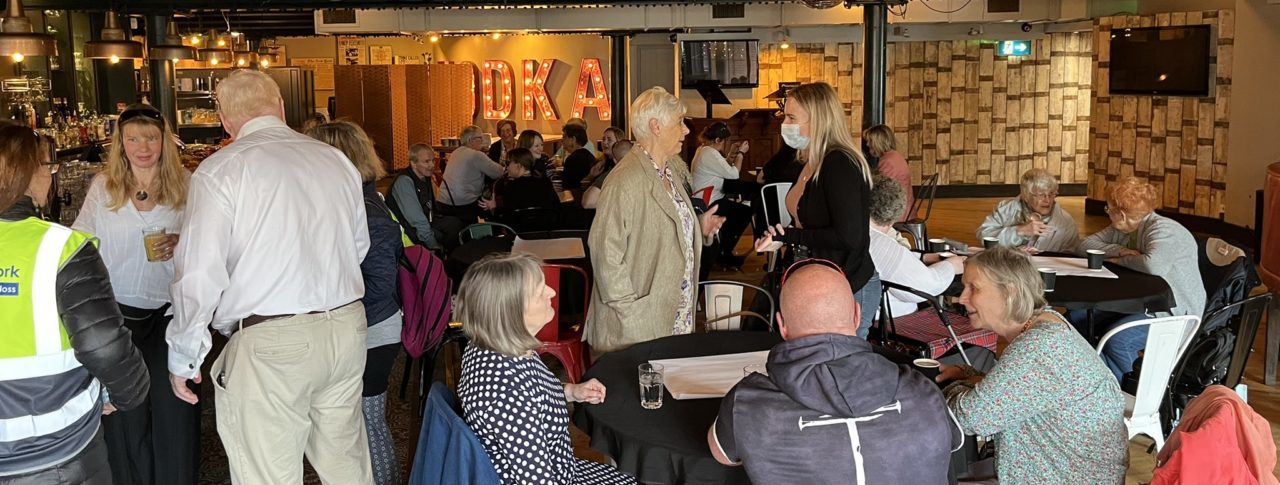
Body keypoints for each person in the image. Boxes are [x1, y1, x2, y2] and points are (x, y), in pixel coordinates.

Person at [166, 70, 374, 484]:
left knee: (269, 474)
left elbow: (200, 275)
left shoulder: (221, 170)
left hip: (272, 343)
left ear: (225, 120)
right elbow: (358, 247)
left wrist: (185, 354)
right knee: (346, 465)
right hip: (345, 328)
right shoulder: (334, 159)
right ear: (280, 107)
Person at [708, 262, 956, 484]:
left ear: (782, 326)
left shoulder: (748, 402)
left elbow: (723, 455)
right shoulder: (924, 391)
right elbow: (955, 442)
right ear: (857, 316)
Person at [0, 123, 149, 484]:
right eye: (49, 168)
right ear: (29, 174)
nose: (50, 178)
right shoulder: (62, 248)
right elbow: (103, 345)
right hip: (55, 451)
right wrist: (128, 393)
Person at [71, 104, 198, 485]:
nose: (143, 147)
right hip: (118, 316)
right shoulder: (104, 187)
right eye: (133, 139)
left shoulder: (187, 184)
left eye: (151, 138)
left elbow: (210, 242)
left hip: (168, 314)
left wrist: (183, 240)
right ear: (120, 144)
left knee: (174, 411)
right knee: (126, 412)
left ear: (164, 141)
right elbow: (80, 241)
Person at [939, 246, 1128, 483]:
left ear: (1009, 292)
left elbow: (969, 419)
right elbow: (1022, 395)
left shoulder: (1039, 347)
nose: (962, 298)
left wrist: (951, 387)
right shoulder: (1047, 322)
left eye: (973, 288)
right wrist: (969, 376)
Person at [455, 253, 636, 485]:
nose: (551, 292)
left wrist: (571, 391)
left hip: (564, 469)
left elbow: (533, 392)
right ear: (511, 311)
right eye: (540, 291)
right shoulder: (504, 393)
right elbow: (537, 481)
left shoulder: (498, 346)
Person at [587, 86, 725, 353]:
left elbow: (662, 225)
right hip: (639, 321)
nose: (686, 130)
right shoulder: (625, 179)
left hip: (672, 310)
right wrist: (629, 311)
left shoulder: (671, 169)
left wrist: (698, 226)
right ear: (656, 126)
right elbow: (605, 253)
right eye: (680, 122)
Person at [305, 120, 404, 485]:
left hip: (372, 329)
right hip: (360, 326)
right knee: (356, 424)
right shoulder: (355, 200)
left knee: (366, 423)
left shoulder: (365, 208)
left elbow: (379, 284)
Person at [754, 82, 879, 339]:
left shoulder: (840, 164)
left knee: (840, 367)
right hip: (818, 281)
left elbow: (849, 236)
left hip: (846, 285)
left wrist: (789, 237)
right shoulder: (811, 161)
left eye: (792, 117)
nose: (784, 124)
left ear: (818, 120)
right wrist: (781, 237)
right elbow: (809, 223)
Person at [1075, 177, 1205, 380]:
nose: (1107, 212)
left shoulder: (1164, 230)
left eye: (1108, 208)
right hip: (1143, 303)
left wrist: (1120, 260)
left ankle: (1137, 394)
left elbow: (1154, 265)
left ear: (1122, 213)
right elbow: (1084, 245)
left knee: (1118, 341)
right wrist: (1119, 250)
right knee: (1076, 319)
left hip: (1172, 311)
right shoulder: (1125, 229)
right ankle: (1100, 383)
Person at [867, 175, 964, 318]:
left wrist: (924, 257)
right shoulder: (879, 242)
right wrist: (951, 266)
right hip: (892, 324)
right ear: (895, 217)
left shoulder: (857, 234)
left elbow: (894, 262)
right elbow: (926, 286)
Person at [691, 122, 753, 269]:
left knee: (738, 213)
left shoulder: (703, 150)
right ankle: (724, 252)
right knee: (744, 213)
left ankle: (724, 250)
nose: (725, 144)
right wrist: (741, 154)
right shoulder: (709, 153)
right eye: (724, 141)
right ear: (718, 140)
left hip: (710, 198)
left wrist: (732, 154)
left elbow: (721, 167)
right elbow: (733, 174)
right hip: (708, 202)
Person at [976, 168, 1080, 253]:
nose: (1047, 200)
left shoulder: (1066, 222)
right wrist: (1019, 231)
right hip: (1007, 266)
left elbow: (1070, 255)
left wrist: (1040, 254)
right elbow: (984, 237)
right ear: (1025, 196)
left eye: (1051, 194)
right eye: (1041, 195)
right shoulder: (1006, 209)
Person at [436, 125, 504, 225]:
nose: (483, 141)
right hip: (462, 204)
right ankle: (491, 235)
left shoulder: (455, 152)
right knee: (493, 207)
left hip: (442, 201)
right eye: (480, 138)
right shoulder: (476, 155)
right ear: (470, 140)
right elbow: (498, 172)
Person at [386, 143, 443, 250]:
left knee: (454, 224)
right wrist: (434, 246)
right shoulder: (404, 182)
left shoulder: (425, 177)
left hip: (424, 223)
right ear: (413, 163)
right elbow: (418, 222)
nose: (432, 165)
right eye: (426, 161)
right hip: (406, 233)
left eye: (433, 160)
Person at [863, 124, 912, 221]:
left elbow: (879, 189)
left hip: (898, 212)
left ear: (879, 142)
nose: (868, 144)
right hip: (904, 208)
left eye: (870, 141)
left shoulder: (888, 161)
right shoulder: (894, 156)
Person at [495, 148, 560, 213]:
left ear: (518, 165)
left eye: (508, 163)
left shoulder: (510, 187)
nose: (507, 167)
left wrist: (494, 206)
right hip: (548, 222)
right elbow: (557, 207)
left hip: (520, 223)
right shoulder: (546, 182)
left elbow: (506, 216)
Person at [582, 139, 631, 210]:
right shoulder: (645, 171)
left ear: (615, 160)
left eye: (609, 139)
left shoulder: (613, 173)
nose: (605, 142)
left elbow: (588, 202)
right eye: (603, 139)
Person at [559, 123, 595, 195]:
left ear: (573, 139)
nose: (562, 140)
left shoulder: (572, 159)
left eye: (564, 137)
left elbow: (566, 187)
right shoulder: (589, 155)